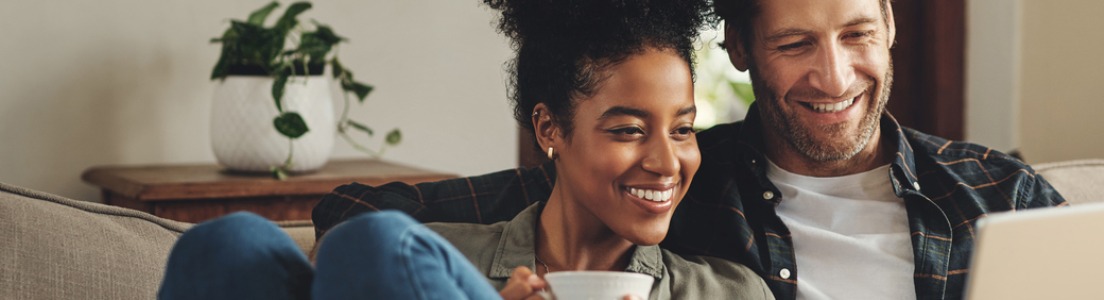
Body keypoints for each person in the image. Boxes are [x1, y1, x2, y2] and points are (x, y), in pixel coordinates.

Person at [314, 0, 1066, 299]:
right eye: (797, 43)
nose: (834, 76)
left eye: (857, 34)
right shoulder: (690, 179)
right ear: (740, 49)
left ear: (891, 24)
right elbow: (371, 226)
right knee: (242, 248)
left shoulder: (996, 191)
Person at [162, 0, 773, 299]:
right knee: (226, 244)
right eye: (627, 130)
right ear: (548, 130)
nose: (666, 162)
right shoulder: (444, 262)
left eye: (683, 128)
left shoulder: (729, 293)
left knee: (378, 245)